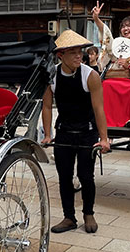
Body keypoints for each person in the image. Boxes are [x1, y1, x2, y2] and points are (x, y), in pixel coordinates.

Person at [41, 29, 111, 234]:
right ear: (60, 55)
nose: (79, 56)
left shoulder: (91, 75)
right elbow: (46, 106)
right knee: (64, 176)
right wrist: (47, 134)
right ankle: (68, 217)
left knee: (85, 175)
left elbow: (99, 108)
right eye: (73, 52)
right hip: (64, 131)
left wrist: (104, 138)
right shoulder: (52, 75)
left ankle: (88, 213)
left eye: (80, 51)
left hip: (87, 131)